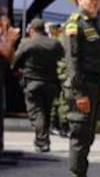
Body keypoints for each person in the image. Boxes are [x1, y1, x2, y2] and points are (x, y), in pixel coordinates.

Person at [62, 0, 100, 177]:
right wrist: (79, 93)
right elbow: (73, 62)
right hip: (80, 86)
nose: (95, 2)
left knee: (87, 137)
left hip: (93, 85)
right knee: (79, 137)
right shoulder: (75, 24)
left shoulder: (93, 23)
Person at [12, 18, 64, 153]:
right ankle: (42, 139)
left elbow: (15, 61)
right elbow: (62, 58)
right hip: (51, 82)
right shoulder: (55, 43)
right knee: (46, 112)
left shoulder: (27, 43)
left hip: (32, 82)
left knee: (37, 113)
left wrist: (16, 70)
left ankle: (42, 142)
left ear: (32, 30)